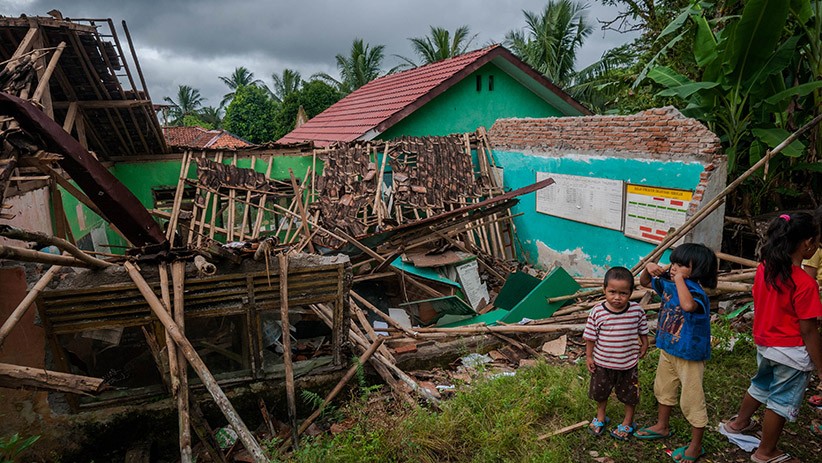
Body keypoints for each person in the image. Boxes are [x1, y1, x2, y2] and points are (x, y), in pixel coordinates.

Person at [721, 212, 822, 463]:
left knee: (760, 385)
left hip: (765, 344)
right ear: (807, 243)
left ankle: (738, 424)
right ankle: (766, 452)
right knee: (780, 402)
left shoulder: (764, 269)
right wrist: (821, 367)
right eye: (817, 240)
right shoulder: (805, 284)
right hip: (792, 353)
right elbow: (809, 331)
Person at [635, 243, 718, 463]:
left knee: (691, 400)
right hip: (669, 348)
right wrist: (649, 267)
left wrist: (679, 279)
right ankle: (662, 426)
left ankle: (696, 445)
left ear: (698, 269)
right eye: (673, 263)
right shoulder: (670, 284)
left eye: (681, 265)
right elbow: (644, 282)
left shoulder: (697, 292)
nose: (674, 268)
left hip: (690, 355)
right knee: (663, 389)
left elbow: (688, 306)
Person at [583, 266, 650, 440]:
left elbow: (643, 330)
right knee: (600, 393)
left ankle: (628, 422)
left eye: (623, 293)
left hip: (628, 364)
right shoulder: (597, 312)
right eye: (612, 292)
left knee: (630, 395)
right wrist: (589, 356)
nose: (617, 297)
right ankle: (600, 417)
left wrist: (644, 344)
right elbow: (590, 337)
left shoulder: (636, 311)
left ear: (630, 293)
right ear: (604, 289)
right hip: (602, 364)